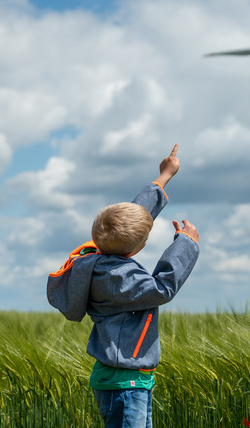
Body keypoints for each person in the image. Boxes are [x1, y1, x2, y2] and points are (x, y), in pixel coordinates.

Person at [47, 145, 199, 428]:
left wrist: (163, 176)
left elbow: (129, 220)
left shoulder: (99, 258)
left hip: (128, 379)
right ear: (139, 248)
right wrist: (185, 244)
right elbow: (163, 287)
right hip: (124, 384)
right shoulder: (118, 278)